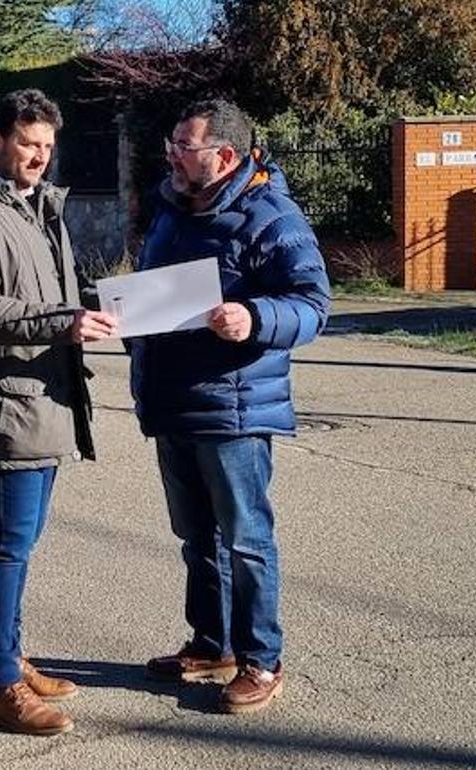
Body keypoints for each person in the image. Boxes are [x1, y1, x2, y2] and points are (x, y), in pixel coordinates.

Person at [0, 88, 118, 735]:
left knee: (23, 541)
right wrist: (64, 322)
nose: (40, 157)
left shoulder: (35, 205)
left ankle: (9, 656)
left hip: (46, 399)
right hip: (6, 405)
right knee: (7, 545)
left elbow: (58, 291)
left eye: (47, 147)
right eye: (29, 144)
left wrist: (112, 303)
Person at [131, 98, 330, 714]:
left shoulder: (272, 216)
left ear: (222, 155)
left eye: (183, 147)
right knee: (196, 537)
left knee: (246, 540)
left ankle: (261, 660)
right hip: (173, 401)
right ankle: (211, 643)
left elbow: (313, 304)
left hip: (235, 409)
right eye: (171, 144)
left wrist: (255, 317)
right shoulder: (170, 209)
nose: (172, 156)